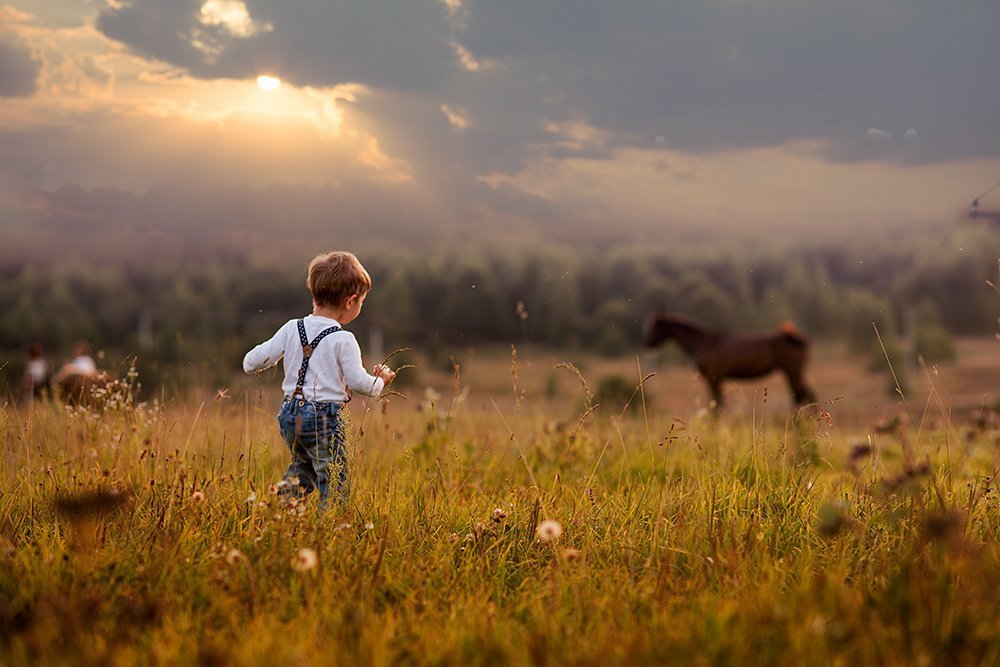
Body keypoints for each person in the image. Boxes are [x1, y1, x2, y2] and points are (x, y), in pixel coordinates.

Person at [243, 251, 395, 511]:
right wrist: (381, 381)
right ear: (351, 302)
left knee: (302, 471)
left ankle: (281, 516)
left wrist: (281, 356)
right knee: (334, 480)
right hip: (324, 419)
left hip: (290, 416)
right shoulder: (343, 339)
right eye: (362, 301)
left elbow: (250, 363)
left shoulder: (292, 328)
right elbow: (361, 384)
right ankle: (330, 532)